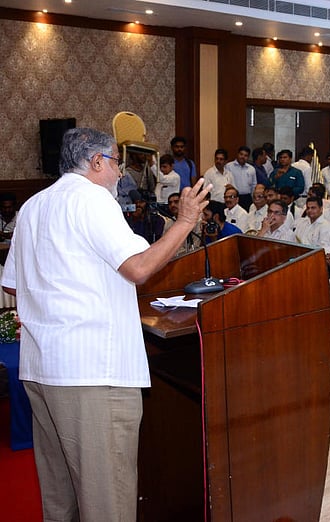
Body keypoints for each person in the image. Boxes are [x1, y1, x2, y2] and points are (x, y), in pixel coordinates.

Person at [0, 128, 209, 521]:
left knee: (60, 500)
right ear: (97, 162)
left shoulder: (33, 205)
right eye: (116, 162)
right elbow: (140, 267)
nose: (119, 173)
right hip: (91, 374)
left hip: (42, 369)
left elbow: (12, 283)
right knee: (106, 502)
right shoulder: (92, 199)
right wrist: (184, 222)